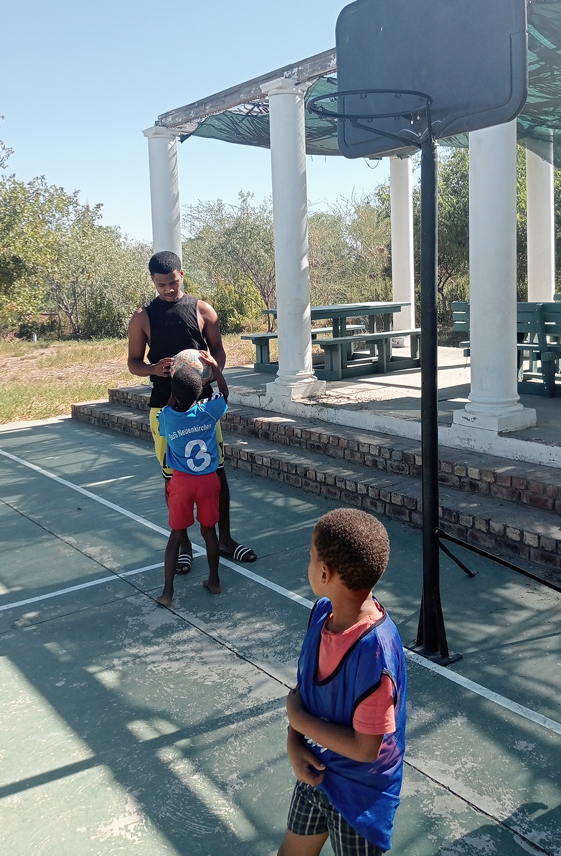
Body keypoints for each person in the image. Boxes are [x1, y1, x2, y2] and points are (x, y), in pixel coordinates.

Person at [280, 508, 406, 856]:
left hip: (360, 798)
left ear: (325, 571)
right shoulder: (322, 613)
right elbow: (304, 692)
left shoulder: (374, 654)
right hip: (316, 771)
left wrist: (297, 720)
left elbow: (366, 749)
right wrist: (294, 743)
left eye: (310, 557)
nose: (308, 564)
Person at [128, 250, 256, 568]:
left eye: (172, 282)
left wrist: (212, 372)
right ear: (153, 283)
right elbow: (133, 363)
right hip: (164, 409)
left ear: (181, 275)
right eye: (161, 285)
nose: (168, 289)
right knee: (174, 479)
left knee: (216, 473)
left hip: (203, 407)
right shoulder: (142, 317)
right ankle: (183, 544)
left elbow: (219, 352)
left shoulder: (202, 310)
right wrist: (153, 369)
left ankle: (224, 539)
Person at [156, 351, 227, 604]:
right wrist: (216, 369)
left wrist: (173, 395)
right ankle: (214, 581)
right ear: (200, 392)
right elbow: (225, 396)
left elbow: (166, 411)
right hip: (208, 480)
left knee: (176, 535)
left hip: (182, 482)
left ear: (174, 394)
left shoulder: (167, 417)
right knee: (209, 533)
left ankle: (167, 592)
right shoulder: (208, 412)